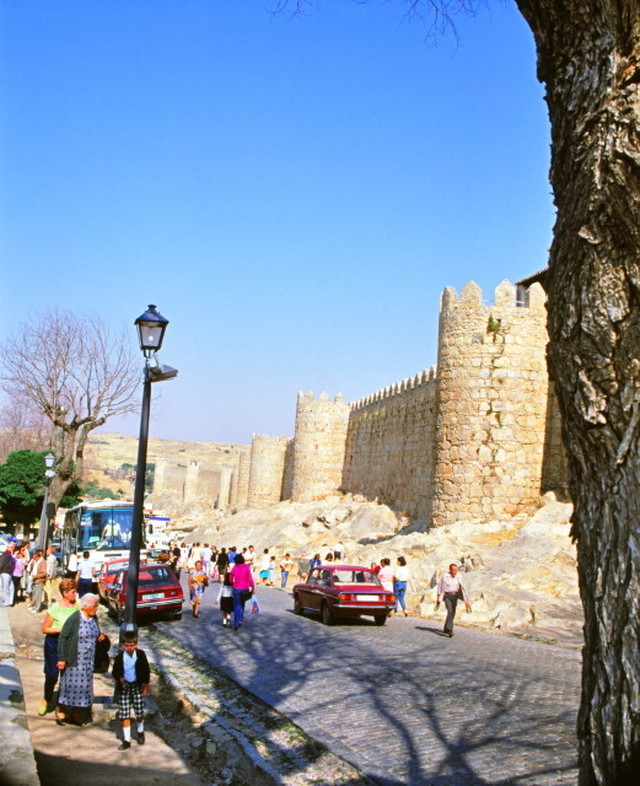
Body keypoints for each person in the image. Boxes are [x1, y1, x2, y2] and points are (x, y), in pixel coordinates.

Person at [56, 592, 107, 725]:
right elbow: (63, 638)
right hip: (74, 659)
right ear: (85, 606)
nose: (96, 609)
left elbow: (96, 632)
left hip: (88, 661)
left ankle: (74, 714)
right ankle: (61, 710)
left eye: (97, 606)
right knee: (69, 686)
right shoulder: (74, 619)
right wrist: (61, 658)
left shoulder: (94, 618)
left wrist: (100, 637)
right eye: (94, 606)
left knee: (83, 688)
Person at [39, 578, 80, 716]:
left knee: (67, 676)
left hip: (71, 645)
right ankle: (46, 699)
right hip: (54, 644)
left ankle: (61, 705)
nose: (75, 594)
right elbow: (45, 629)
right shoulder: (55, 608)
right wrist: (59, 629)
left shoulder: (78, 606)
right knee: (51, 674)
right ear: (65, 593)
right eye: (73, 591)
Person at [112, 634, 151, 750]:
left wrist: (145, 686)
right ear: (122, 646)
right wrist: (120, 678)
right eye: (126, 645)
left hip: (137, 686)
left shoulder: (140, 655)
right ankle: (126, 740)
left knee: (139, 712)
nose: (129, 648)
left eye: (131, 645)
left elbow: (146, 670)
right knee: (124, 714)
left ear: (136, 645)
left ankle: (140, 732)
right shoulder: (119, 657)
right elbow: (114, 672)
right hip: (125, 687)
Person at [436, 563, 472, 637]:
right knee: (450, 610)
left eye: (456, 570)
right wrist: (438, 598)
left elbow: (463, 588)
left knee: (452, 612)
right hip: (447, 595)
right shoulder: (445, 576)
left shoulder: (459, 576)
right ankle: (450, 629)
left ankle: (446, 628)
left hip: (455, 596)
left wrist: (466, 601)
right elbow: (440, 586)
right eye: (453, 570)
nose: (455, 572)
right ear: (450, 570)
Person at [229, 553, 254, 631]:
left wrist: (233, 583)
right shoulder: (246, 568)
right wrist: (252, 587)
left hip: (236, 588)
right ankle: (240, 620)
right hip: (245, 589)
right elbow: (250, 579)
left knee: (236, 606)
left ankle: (235, 623)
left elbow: (230, 579)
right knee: (242, 605)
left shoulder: (234, 568)